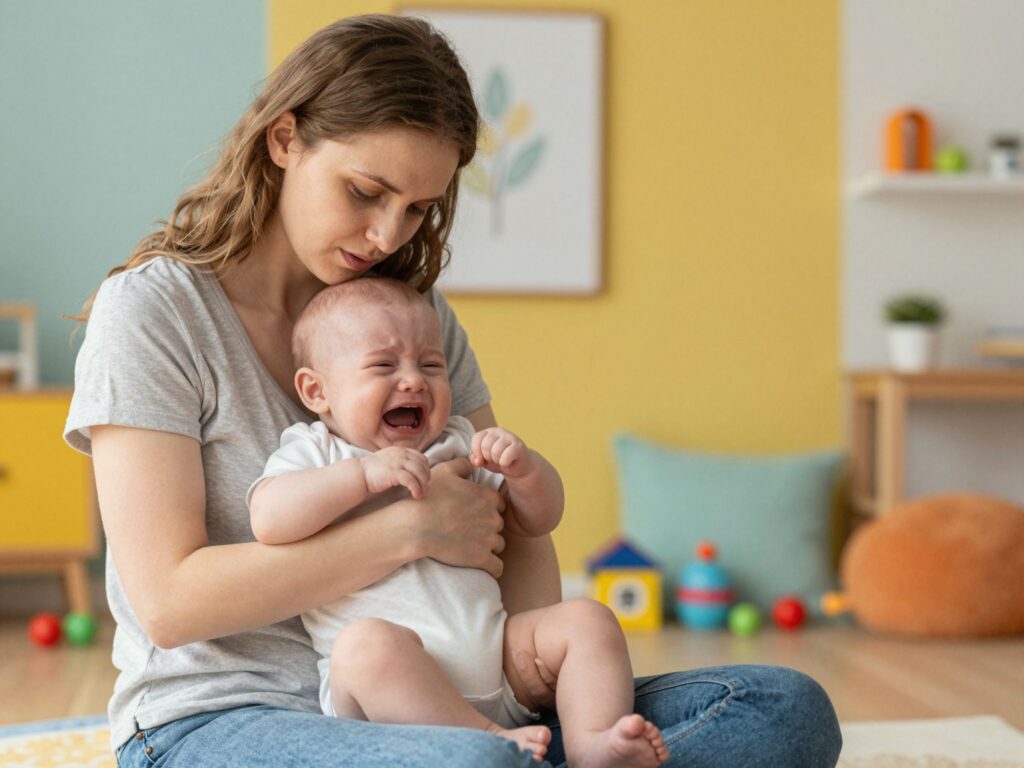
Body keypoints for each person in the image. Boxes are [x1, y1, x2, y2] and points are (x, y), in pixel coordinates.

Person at [64, 13, 843, 767]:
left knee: (782, 709)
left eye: (418, 209)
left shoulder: (412, 314)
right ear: (284, 138)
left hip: (462, 694)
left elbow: (509, 522)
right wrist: (409, 532)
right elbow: (170, 602)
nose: (388, 237)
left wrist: (534, 677)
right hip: (222, 717)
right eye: (366, 192)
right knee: (472, 764)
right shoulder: (157, 311)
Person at [248, 276, 669, 767]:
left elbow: (538, 520)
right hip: (391, 697)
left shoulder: (457, 442)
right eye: (384, 365)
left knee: (587, 618)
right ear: (317, 390)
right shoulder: (317, 450)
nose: (413, 380)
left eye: (431, 364)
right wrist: (360, 476)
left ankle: (593, 742)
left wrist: (525, 470)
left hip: (500, 665)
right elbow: (270, 518)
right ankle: (485, 739)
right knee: (363, 647)